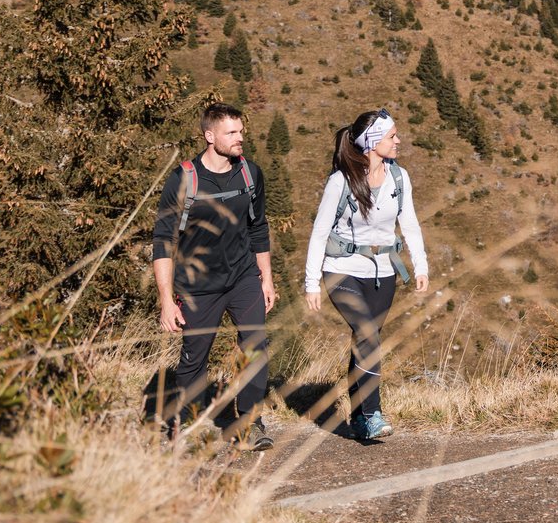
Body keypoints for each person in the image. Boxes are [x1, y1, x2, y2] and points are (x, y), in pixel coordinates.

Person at [148, 102, 276, 450]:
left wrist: (266, 278)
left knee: (256, 347)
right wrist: (165, 300)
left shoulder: (250, 174)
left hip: (243, 278)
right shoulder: (184, 178)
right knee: (194, 357)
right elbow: (163, 240)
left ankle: (249, 423)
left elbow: (258, 229)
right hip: (198, 287)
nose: (240, 139)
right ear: (210, 136)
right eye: (231, 133)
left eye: (241, 132)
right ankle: (187, 426)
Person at [304, 108, 428, 442]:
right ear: (372, 142)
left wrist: (421, 264)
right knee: (368, 335)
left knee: (365, 340)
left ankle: (359, 418)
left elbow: (411, 224)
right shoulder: (341, 181)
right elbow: (319, 232)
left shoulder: (399, 178)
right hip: (340, 270)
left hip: (383, 272)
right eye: (392, 136)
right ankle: (373, 413)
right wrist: (311, 281)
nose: (398, 140)